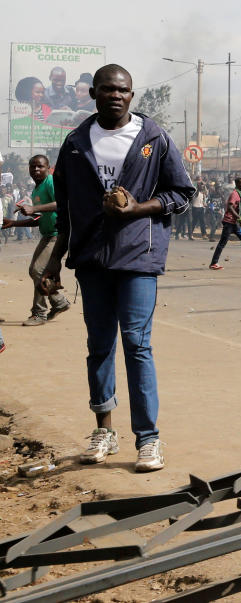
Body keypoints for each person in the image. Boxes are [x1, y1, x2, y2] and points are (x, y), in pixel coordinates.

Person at [41, 64, 195, 472]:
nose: (116, 96)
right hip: (91, 259)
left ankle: (148, 439)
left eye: (123, 90)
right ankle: (104, 431)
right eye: (107, 89)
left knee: (137, 344)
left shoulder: (154, 138)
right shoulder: (75, 143)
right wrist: (54, 261)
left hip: (138, 258)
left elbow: (182, 193)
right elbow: (68, 209)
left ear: (132, 95)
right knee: (99, 346)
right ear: (92, 93)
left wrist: (135, 209)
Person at [1, 155, 71, 326]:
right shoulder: (36, 189)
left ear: (48, 168)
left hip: (57, 234)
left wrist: (34, 208)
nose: (36, 170)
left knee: (38, 270)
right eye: (32, 167)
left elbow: (62, 203)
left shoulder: (50, 182)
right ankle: (59, 302)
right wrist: (14, 223)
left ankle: (39, 313)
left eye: (40, 166)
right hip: (46, 234)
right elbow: (39, 218)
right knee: (35, 271)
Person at [210, 177, 241, 270]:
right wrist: (239, 217)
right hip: (229, 222)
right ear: (237, 184)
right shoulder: (235, 194)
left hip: (234, 223)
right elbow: (230, 206)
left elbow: (240, 207)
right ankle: (214, 263)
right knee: (222, 243)